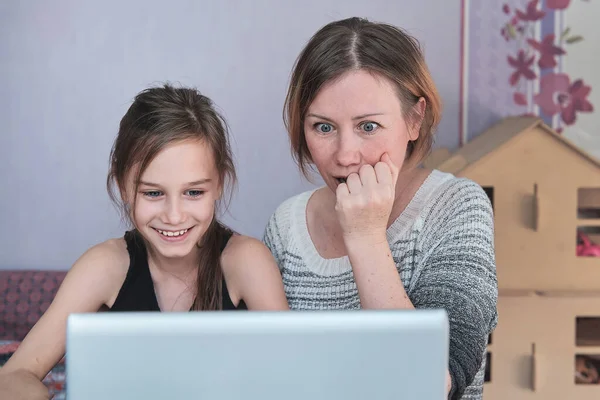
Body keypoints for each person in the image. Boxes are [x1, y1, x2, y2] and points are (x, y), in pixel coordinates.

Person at [1, 84, 289, 399]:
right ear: (123, 186)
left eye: (194, 192)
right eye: (153, 193)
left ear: (219, 183)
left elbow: (292, 379)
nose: (174, 216)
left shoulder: (247, 262)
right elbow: (15, 374)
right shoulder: (104, 267)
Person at [263, 17, 498, 400]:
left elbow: (430, 385)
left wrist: (366, 236)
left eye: (368, 126)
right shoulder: (286, 225)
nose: (345, 155)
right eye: (323, 127)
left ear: (414, 119)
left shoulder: (456, 208)